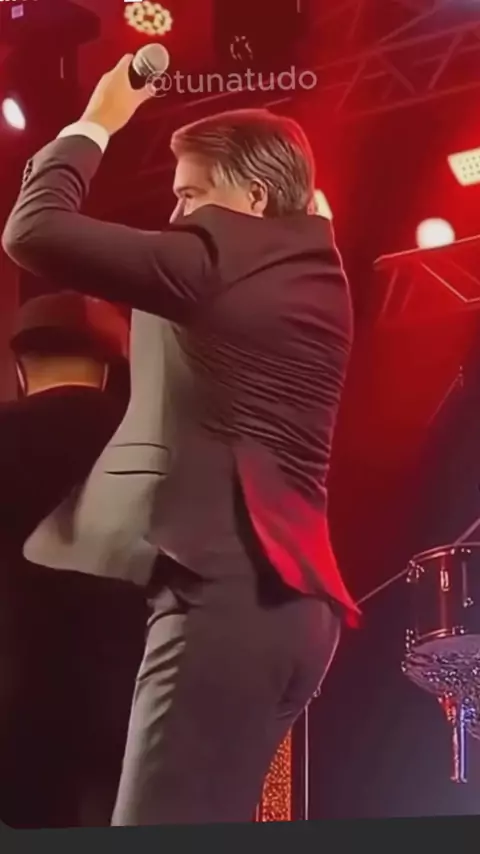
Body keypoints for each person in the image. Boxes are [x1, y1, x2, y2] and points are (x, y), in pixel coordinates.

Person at [2, 54, 360, 825]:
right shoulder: (315, 275)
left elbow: (33, 232)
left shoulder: (219, 261)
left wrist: (97, 120)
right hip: (295, 608)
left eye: (191, 193)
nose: (176, 213)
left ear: (252, 196)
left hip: (220, 592)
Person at [0, 291, 146, 827]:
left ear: (21, 370)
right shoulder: (159, 447)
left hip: (16, 716)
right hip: (132, 713)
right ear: (110, 369)